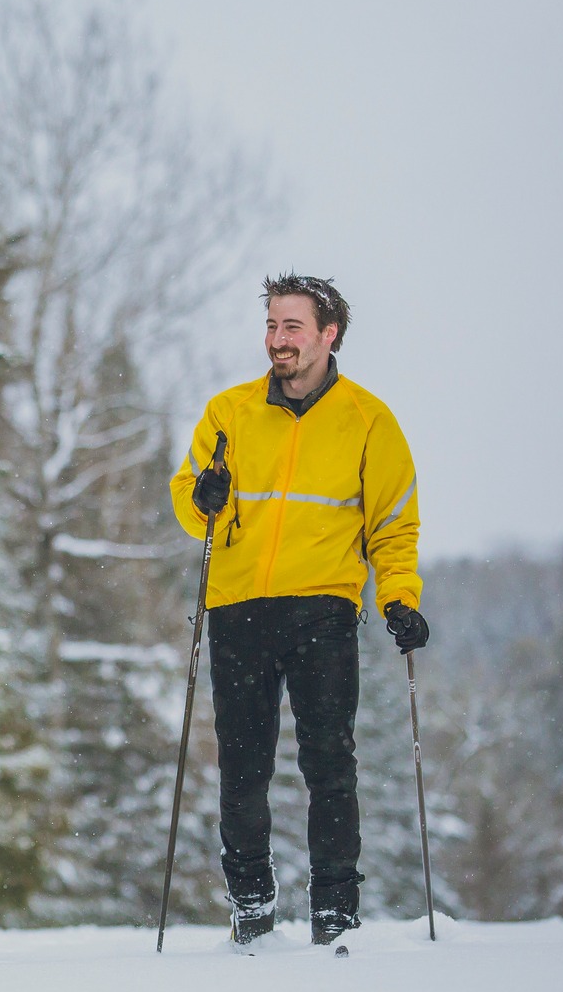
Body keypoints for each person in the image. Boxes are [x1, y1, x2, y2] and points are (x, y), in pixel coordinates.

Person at [169, 274, 430, 946]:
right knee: (243, 767)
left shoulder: (369, 420)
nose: (278, 340)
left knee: (328, 762)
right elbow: (186, 498)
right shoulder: (229, 412)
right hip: (237, 605)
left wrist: (399, 598)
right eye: (272, 327)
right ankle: (251, 902)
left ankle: (334, 910)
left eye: (292, 327)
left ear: (328, 334)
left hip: (322, 606)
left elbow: (393, 528)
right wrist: (203, 495)